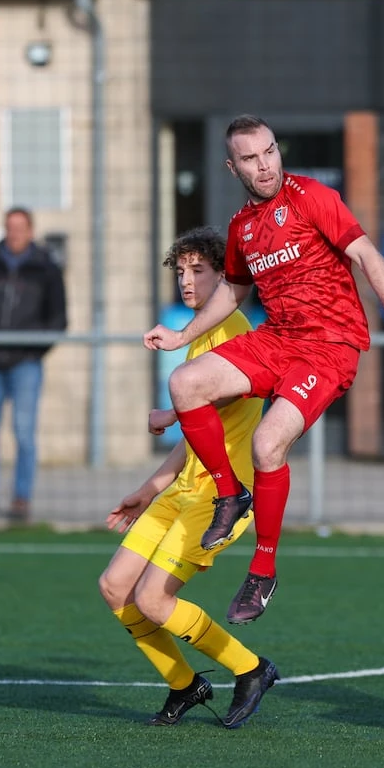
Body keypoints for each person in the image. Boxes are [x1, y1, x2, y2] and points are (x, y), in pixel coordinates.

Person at [143, 114, 384, 624]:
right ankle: (231, 494)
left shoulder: (311, 197)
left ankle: (262, 570)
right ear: (233, 167)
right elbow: (232, 290)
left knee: (267, 443)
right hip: (279, 338)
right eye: (251, 159)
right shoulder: (241, 228)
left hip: (329, 345)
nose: (265, 164)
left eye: (270, 151)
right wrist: (182, 336)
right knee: (184, 381)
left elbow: (365, 254)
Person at [101, 226, 277, 729]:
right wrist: (149, 487)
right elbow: (198, 432)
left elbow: (235, 392)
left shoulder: (238, 327)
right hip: (181, 491)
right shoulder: (198, 337)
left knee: (154, 600)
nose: (186, 279)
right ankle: (186, 685)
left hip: (222, 497)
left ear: (225, 277)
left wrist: (173, 412)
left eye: (198, 270)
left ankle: (251, 668)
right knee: (115, 588)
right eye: (180, 270)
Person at [0, 207, 67, 523]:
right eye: (10, 227)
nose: (15, 233)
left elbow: (58, 318)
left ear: (30, 231)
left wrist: (34, 351)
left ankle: (21, 498)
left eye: (20, 228)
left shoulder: (46, 268)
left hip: (26, 364)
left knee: (24, 432)